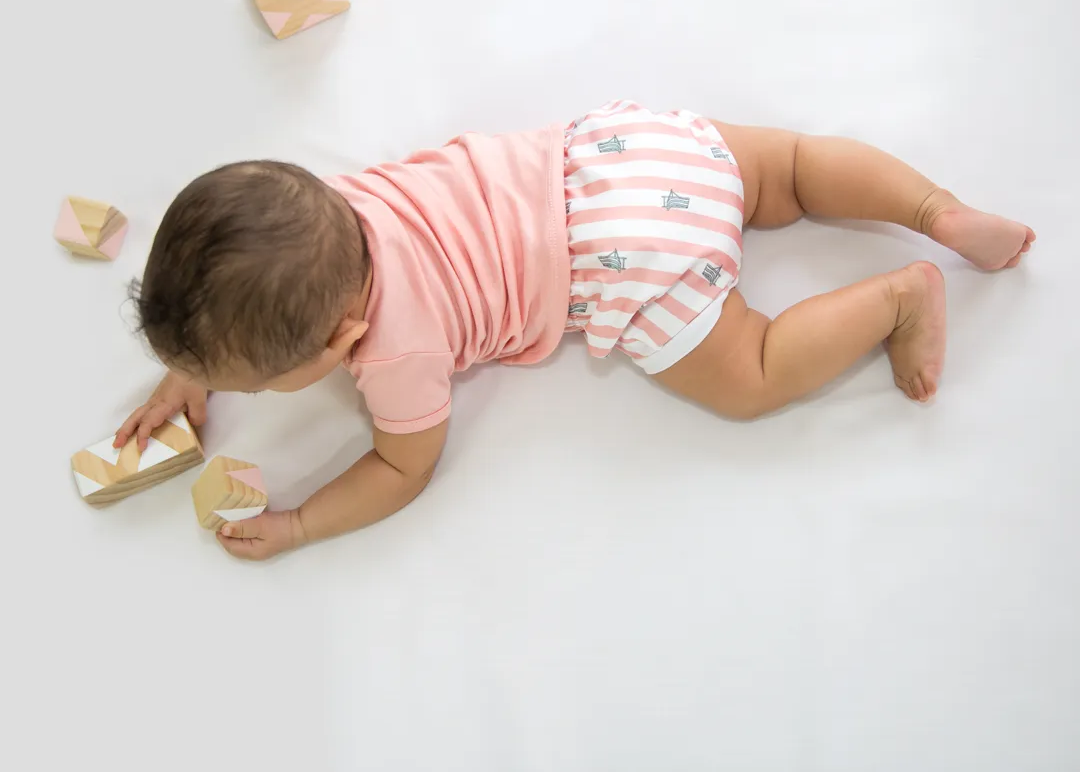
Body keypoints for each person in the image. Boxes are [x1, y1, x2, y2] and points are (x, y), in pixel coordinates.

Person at [114, 101, 1035, 560]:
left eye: (245, 381)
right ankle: (937, 208)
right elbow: (243, 278)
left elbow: (404, 466)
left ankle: (900, 297)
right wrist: (188, 365)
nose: (233, 389)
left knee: (749, 369)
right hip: (624, 154)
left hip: (625, 258)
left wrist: (303, 520)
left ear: (338, 343)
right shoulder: (329, 206)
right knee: (789, 169)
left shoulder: (394, 354)